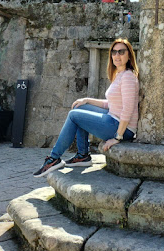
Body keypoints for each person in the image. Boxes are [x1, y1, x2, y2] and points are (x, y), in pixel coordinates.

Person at [33, 38, 139, 177]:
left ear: (129, 55)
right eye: (114, 52)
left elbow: (128, 109)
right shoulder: (119, 75)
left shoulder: (128, 77)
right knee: (79, 109)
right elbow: (110, 104)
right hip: (113, 119)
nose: (117, 55)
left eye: (121, 52)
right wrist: (86, 100)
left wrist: (117, 138)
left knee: (74, 115)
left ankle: (54, 158)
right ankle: (82, 155)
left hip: (122, 128)